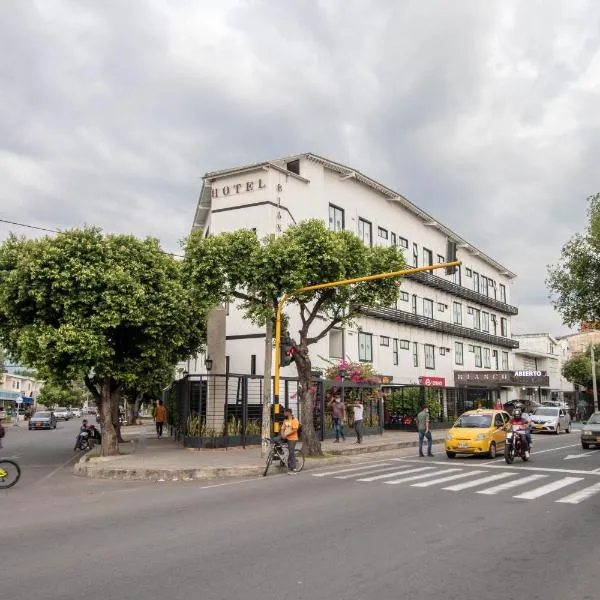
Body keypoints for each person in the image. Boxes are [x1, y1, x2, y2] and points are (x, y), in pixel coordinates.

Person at [280, 408, 299, 474]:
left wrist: (287, 434)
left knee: (291, 452)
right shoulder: (285, 420)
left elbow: (294, 430)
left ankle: (293, 467)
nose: (284, 413)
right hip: (285, 437)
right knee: (279, 447)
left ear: (288, 412)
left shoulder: (294, 420)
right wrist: (282, 434)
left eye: (285, 412)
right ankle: (283, 462)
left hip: (292, 438)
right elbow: (282, 428)